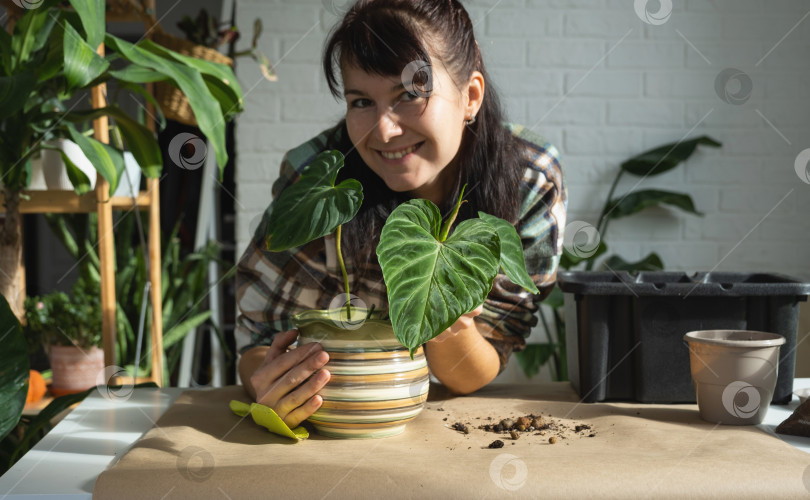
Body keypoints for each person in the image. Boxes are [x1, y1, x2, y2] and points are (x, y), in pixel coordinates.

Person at [236, 0, 567, 429]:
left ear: (470, 97)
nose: (384, 130)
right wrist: (273, 384)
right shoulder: (319, 178)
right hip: (335, 418)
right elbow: (260, 341)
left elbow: (486, 356)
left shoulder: (527, 180)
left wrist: (447, 316)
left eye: (410, 94)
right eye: (360, 102)